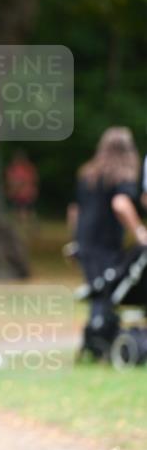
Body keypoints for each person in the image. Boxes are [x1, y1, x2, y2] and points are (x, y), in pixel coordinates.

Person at [67, 127, 147, 333]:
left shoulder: (88, 174)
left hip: (86, 242)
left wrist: (75, 241)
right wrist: (139, 232)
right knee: (107, 291)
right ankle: (100, 334)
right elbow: (120, 204)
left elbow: (74, 210)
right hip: (106, 244)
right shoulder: (123, 177)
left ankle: (96, 336)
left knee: (98, 290)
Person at [5, 149, 39, 223]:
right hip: (17, 194)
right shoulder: (13, 169)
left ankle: (27, 225)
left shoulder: (27, 168)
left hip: (25, 194)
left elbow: (31, 181)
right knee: (19, 211)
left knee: (25, 211)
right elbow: (10, 181)